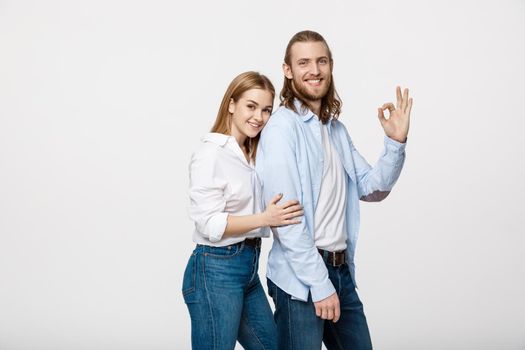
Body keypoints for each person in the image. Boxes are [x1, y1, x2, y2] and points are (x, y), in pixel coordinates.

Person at [255, 30, 413, 349]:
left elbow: (372, 188)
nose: (314, 70)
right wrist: (319, 283)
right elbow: (287, 220)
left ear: (330, 66)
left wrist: (395, 143)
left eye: (321, 61)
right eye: (304, 62)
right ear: (288, 70)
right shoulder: (282, 128)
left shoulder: (335, 129)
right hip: (300, 279)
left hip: (340, 271)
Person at [182, 71, 303, 350]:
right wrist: (265, 219)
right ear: (232, 104)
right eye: (251, 106)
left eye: (266, 110)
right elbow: (209, 224)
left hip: (248, 267)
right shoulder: (211, 153)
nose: (259, 117)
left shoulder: (253, 153)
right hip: (215, 268)